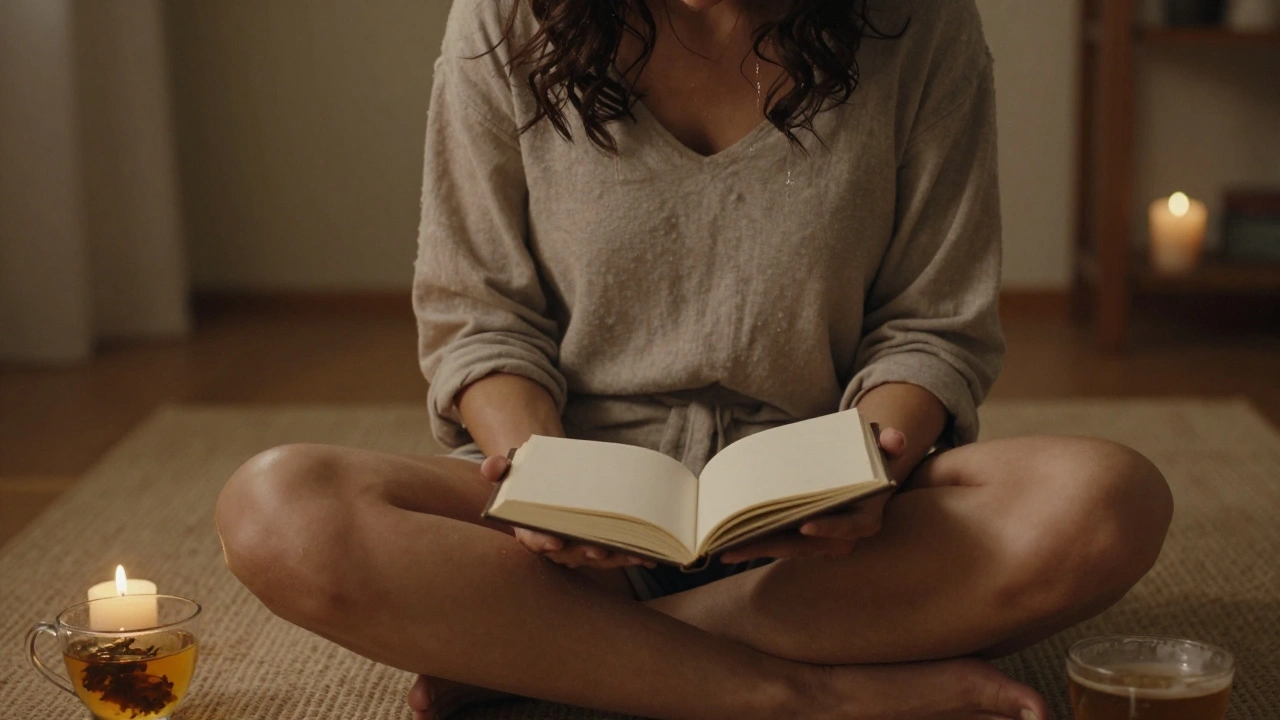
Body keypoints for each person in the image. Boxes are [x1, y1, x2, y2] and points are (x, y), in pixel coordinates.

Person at [215, 1, 1174, 718]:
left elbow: (932, 325)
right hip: (577, 537)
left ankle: (551, 663)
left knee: (1107, 501)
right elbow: (479, 317)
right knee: (276, 507)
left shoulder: (920, 23)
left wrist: (869, 468)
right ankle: (800, 694)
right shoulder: (505, 15)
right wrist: (545, 479)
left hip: (819, 542)